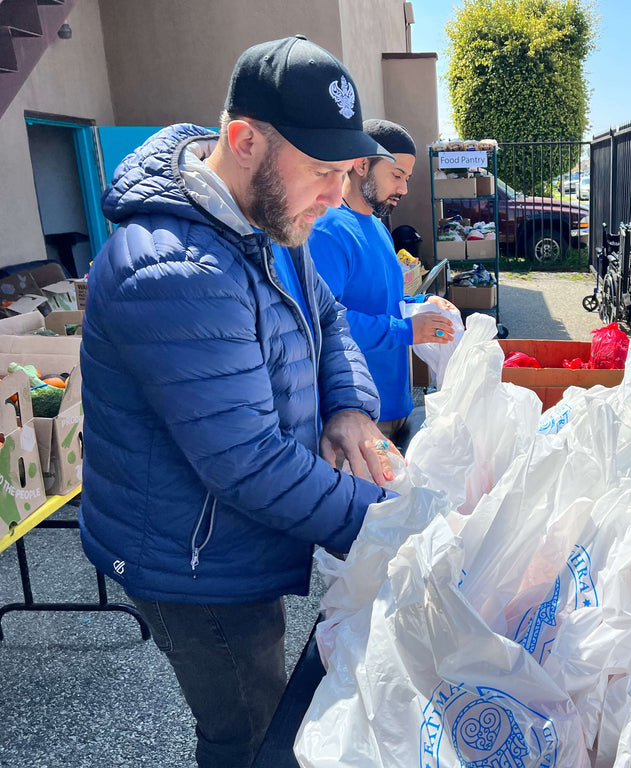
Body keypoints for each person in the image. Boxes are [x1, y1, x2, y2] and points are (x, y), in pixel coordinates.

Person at [78, 36, 402, 767]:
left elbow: (327, 317)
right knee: (249, 731)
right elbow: (247, 461)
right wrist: (396, 524)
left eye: (345, 173)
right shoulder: (171, 268)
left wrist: (349, 407)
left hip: (238, 529)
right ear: (245, 141)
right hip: (193, 562)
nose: (336, 195)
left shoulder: (268, 217)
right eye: (321, 170)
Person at [309, 119, 456, 437]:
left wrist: (423, 302)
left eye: (407, 178)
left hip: (395, 405)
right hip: (358, 416)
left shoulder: (377, 227)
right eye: (396, 175)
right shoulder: (327, 230)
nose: (404, 189)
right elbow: (324, 325)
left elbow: (383, 299)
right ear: (361, 164)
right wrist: (407, 330)